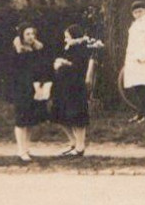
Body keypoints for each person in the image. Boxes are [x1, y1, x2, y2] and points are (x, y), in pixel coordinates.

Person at [50, 23, 103, 158]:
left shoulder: (81, 49)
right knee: (60, 115)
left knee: (77, 117)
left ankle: (80, 146)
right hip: (64, 87)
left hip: (75, 88)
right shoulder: (70, 48)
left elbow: (78, 68)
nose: (65, 39)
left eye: (67, 37)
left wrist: (63, 63)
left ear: (74, 36)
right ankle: (73, 142)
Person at [9, 24, 52, 163]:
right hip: (22, 88)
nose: (31, 36)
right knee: (21, 120)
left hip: (35, 88)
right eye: (27, 34)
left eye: (33, 34)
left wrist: (41, 82)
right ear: (22, 35)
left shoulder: (38, 49)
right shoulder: (17, 51)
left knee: (30, 120)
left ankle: (26, 148)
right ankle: (21, 150)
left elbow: (42, 68)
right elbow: (15, 71)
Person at [122, 0, 145, 122]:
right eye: (135, 12)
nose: (138, 14)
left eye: (140, 11)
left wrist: (142, 56)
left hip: (144, 60)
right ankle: (142, 113)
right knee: (138, 87)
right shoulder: (134, 25)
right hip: (133, 61)